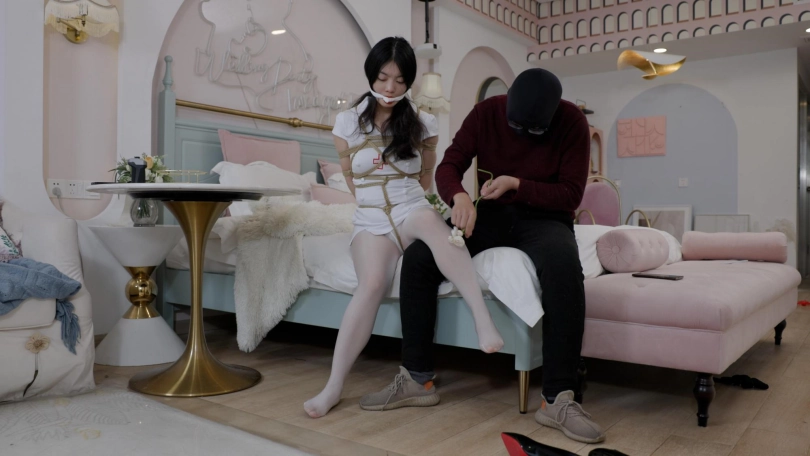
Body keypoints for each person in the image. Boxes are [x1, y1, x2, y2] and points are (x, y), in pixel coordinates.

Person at [359, 68, 606, 444]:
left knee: (565, 269)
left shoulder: (572, 122)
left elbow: (571, 195)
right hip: (489, 214)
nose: (523, 134)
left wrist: (516, 184)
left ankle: (557, 399)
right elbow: (448, 166)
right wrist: (458, 197)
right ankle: (416, 379)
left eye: (534, 130)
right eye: (516, 126)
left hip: (546, 219)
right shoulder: (487, 112)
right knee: (421, 256)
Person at [303, 37, 504, 419]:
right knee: (371, 285)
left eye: (399, 80)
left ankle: (483, 319)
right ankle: (333, 387)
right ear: (371, 75)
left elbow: (426, 178)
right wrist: (375, 205)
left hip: (410, 207)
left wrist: (404, 200)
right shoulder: (347, 122)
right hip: (371, 218)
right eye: (382, 78)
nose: (390, 87)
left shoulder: (424, 123)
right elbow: (350, 178)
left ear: (409, 81)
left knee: (432, 223)